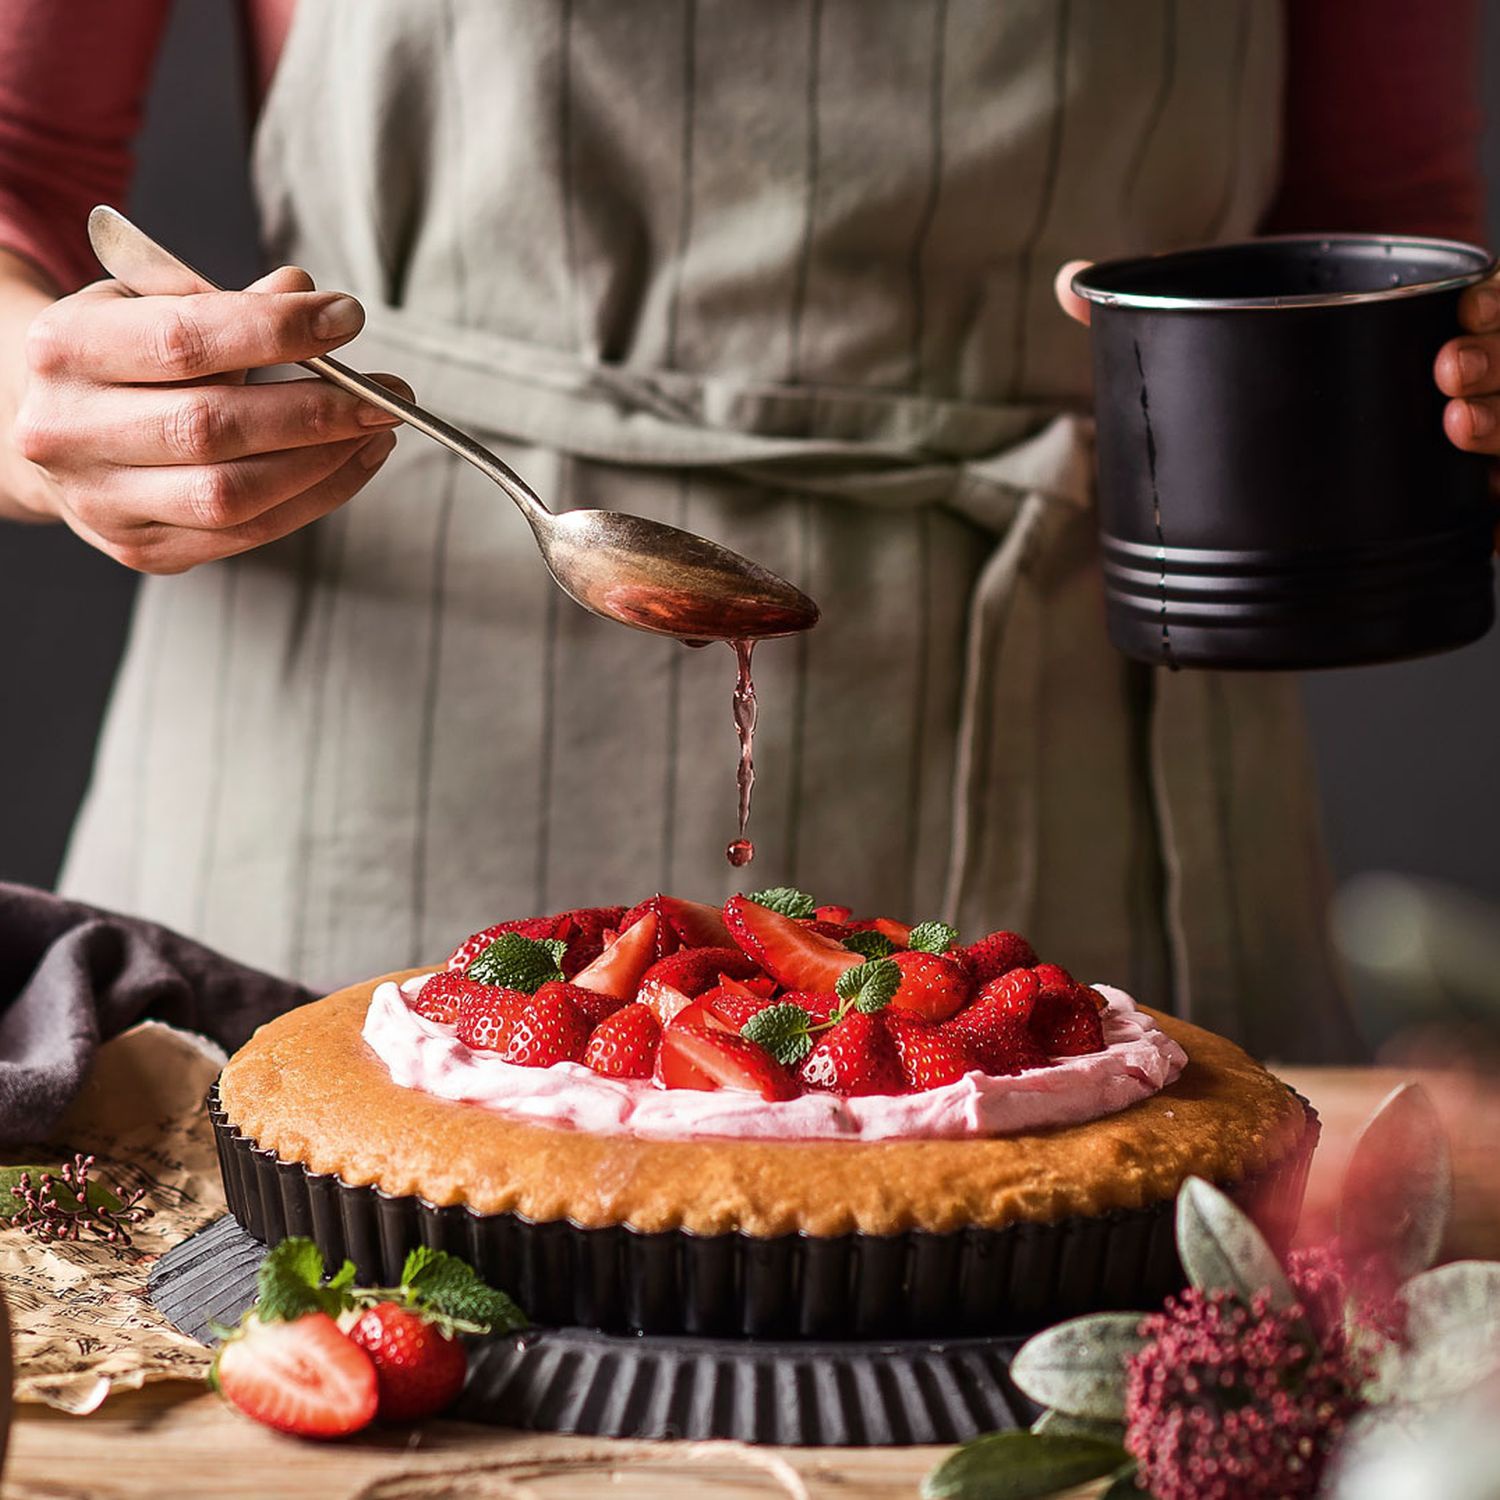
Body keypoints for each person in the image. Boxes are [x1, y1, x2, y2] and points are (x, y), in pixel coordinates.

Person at [0, 1, 1488, 1062]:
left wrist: (1451, 388)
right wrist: (39, 399)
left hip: (1100, 818)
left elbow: (1380, 230)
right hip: (354, 849)